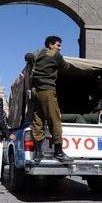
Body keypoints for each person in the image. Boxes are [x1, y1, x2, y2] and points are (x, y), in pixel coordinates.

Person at [28, 35, 72, 163]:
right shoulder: (55, 54)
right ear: (50, 45)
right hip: (47, 90)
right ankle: (58, 151)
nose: (60, 48)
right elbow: (65, 66)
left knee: (38, 120)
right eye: (58, 45)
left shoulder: (38, 52)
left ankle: (38, 153)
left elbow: (28, 56)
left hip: (36, 91)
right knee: (54, 119)